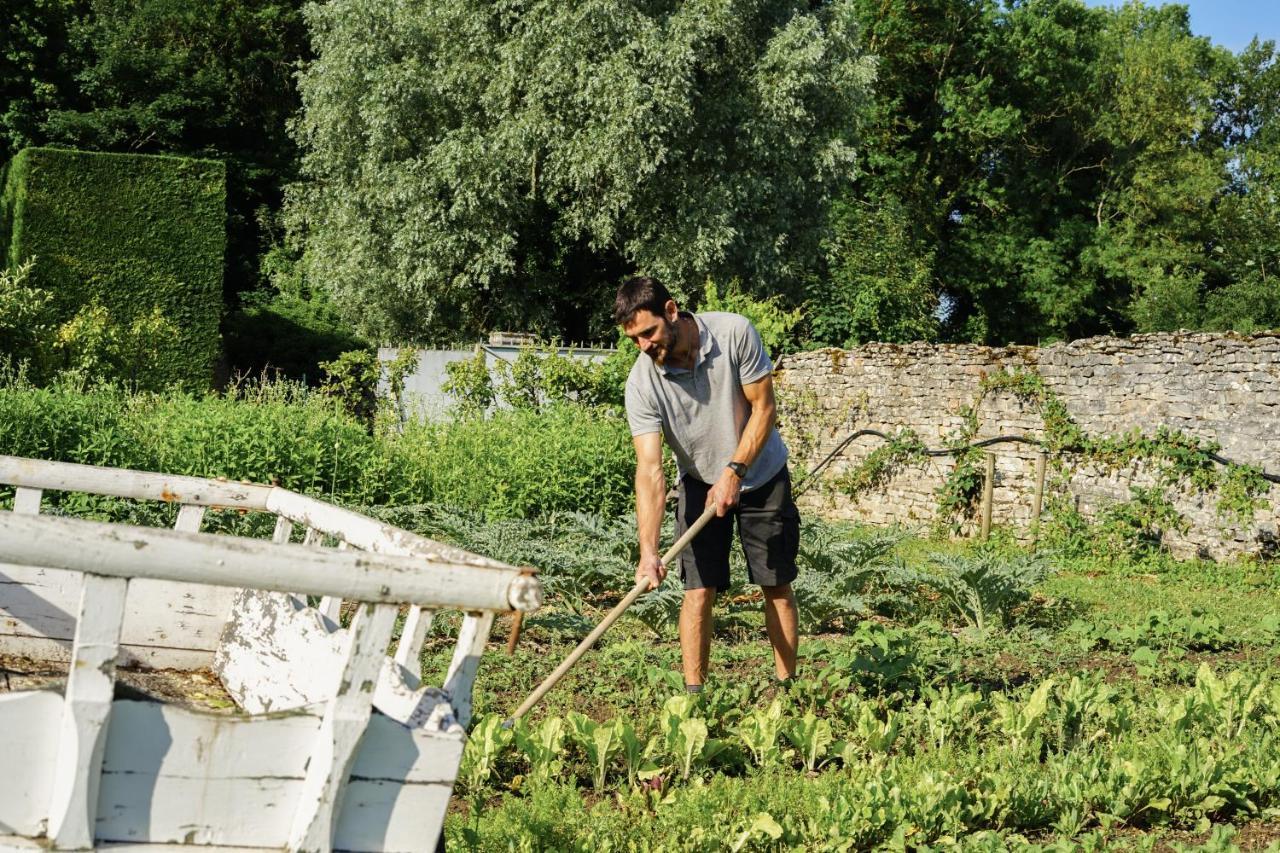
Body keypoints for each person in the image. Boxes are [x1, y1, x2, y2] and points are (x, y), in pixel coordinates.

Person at [614, 275, 800, 693]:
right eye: (634, 340)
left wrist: (735, 472)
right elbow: (649, 469)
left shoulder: (734, 333)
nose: (644, 346)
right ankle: (695, 698)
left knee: (775, 583)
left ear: (672, 311)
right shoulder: (642, 384)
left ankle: (789, 688)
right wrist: (648, 552)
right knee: (698, 590)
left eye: (649, 332)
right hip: (699, 482)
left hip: (762, 476)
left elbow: (764, 409)